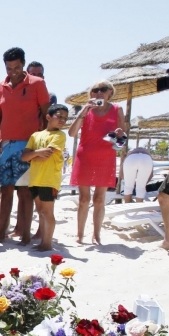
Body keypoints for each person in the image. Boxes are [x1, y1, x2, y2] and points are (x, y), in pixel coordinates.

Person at [0, 47, 50, 243]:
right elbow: (0, 115)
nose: (13, 72)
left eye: (16, 67)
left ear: (23, 64)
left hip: (28, 145)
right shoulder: (0, 86)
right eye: (9, 68)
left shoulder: (37, 84)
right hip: (6, 144)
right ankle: (1, 231)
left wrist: (40, 141)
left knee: (25, 191)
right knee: (6, 189)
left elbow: (46, 114)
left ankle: (25, 234)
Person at [67, 80, 126, 245]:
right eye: (95, 90)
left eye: (103, 89)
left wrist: (120, 134)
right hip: (84, 157)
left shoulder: (117, 109)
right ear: (91, 94)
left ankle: (96, 235)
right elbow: (72, 133)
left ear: (110, 93)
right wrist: (84, 111)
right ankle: (79, 235)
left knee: (99, 199)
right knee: (84, 199)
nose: (99, 92)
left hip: (105, 158)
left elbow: (122, 141)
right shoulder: (85, 110)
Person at [21, 104, 69, 251]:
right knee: (40, 211)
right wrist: (37, 153)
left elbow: (46, 154)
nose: (62, 120)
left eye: (65, 118)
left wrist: (34, 154)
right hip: (35, 178)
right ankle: (43, 240)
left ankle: (47, 243)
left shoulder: (60, 135)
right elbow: (24, 157)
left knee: (47, 212)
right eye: (59, 116)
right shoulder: (36, 135)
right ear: (48, 117)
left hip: (49, 179)